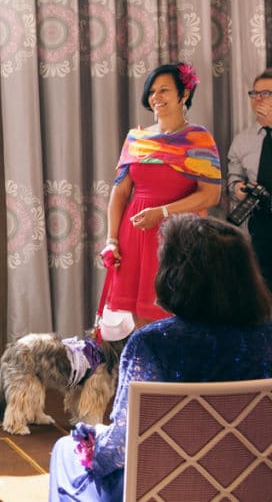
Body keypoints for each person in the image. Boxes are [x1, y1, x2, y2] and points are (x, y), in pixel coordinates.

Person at [48, 213, 272, 501]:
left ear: (175, 275)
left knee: (66, 452)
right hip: (253, 483)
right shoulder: (266, 337)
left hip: (167, 486)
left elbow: (120, 448)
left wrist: (92, 439)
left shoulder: (154, 344)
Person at [98, 62, 221, 328]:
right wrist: (112, 240)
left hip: (179, 237)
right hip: (136, 235)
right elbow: (119, 193)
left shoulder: (199, 139)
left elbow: (210, 195)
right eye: (152, 91)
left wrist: (163, 213)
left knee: (178, 313)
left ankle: (177, 370)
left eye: (164, 90)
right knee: (138, 319)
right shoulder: (136, 139)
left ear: (184, 95)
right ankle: (147, 369)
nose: (156, 97)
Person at [226, 68, 272, 292]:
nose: (258, 100)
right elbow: (232, 181)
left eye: (266, 94)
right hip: (258, 225)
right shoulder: (242, 141)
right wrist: (239, 189)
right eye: (255, 94)